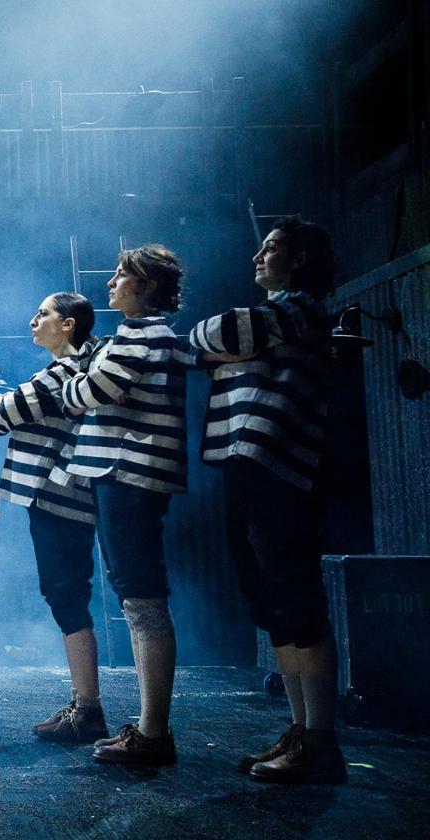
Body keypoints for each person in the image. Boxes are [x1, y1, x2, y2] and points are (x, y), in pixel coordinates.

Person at [188, 216, 345, 784]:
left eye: (271, 249)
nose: (257, 257)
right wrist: (228, 348)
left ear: (300, 259)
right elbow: (208, 348)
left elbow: (215, 335)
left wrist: (230, 349)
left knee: (298, 600)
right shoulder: (278, 318)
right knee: (271, 601)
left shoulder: (302, 309)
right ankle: (301, 730)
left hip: (278, 468)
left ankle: (321, 739)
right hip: (244, 463)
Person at [58, 246, 188, 766]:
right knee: (135, 600)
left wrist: (78, 384)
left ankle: (155, 732)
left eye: (121, 276)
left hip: (131, 473)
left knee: (142, 598)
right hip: (121, 474)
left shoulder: (145, 334)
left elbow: (89, 392)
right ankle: (149, 727)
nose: (111, 282)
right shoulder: (134, 336)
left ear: (145, 287)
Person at [0, 292, 108, 743]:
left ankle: (88, 708)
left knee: (66, 593)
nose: (34, 321)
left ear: (69, 324)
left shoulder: (66, 371)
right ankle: (83, 704)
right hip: (58, 496)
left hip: (60, 496)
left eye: (44, 314)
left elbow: (0, 416)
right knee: (64, 594)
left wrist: (1, 402)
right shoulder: (75, 368)